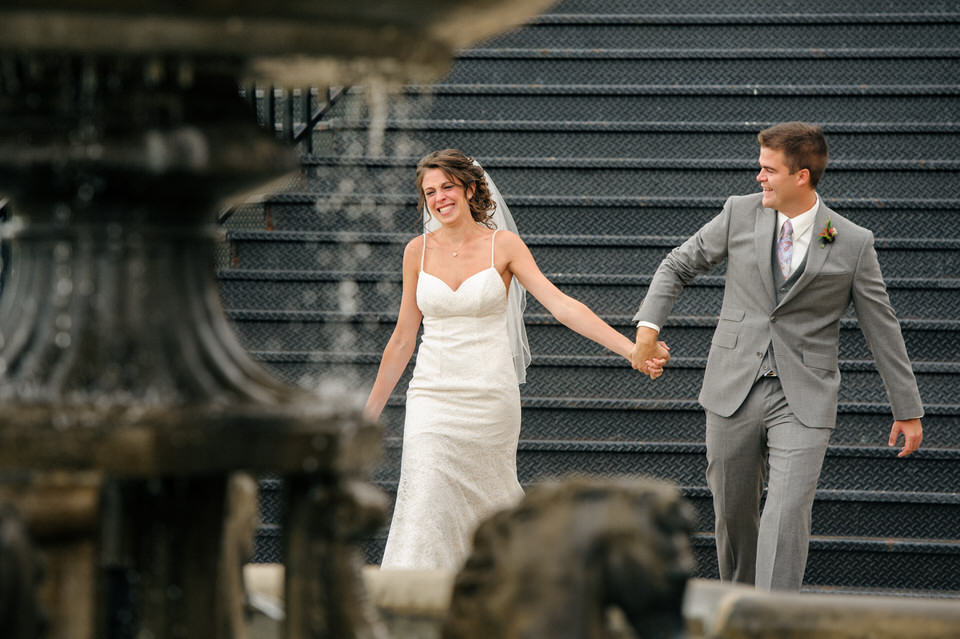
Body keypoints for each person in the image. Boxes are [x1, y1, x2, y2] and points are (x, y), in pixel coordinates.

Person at [630, 122, 924, 591]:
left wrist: (906, 409)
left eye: (768, 169)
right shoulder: (738, 214)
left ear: (801, 176)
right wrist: (647, 329)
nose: (758, 177)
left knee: (786, 514)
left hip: (804, 397)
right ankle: (742, 609)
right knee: (733, 515)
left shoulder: (849, 240)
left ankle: (773, 621)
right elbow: (678, 265)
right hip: (733, 386)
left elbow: (881, 326)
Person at [364, 149, 668, 570]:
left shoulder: (502, 245)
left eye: (447, 187)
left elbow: (562, 306)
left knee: (492, 502)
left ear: (469, 189)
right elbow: (401, 340)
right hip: (431, 397)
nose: (439, 199)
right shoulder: (416, 251)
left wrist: (631, 349)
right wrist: (369, 413)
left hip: (489, 396)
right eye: (429, 192)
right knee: (426, 497)